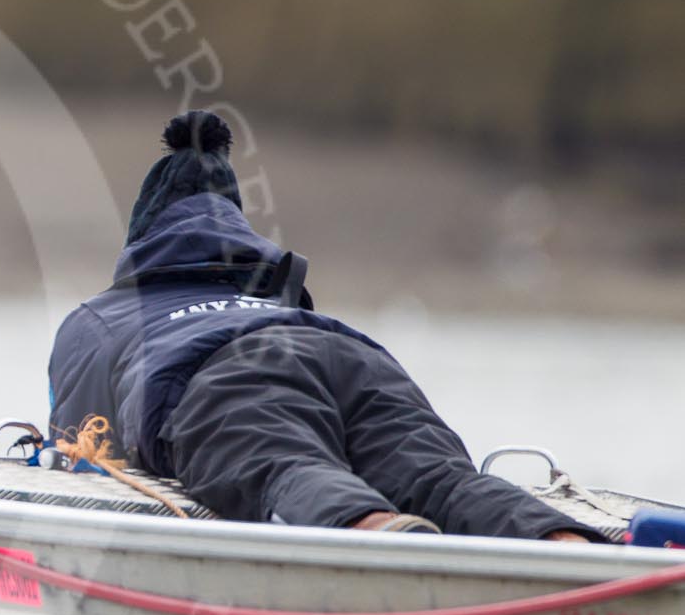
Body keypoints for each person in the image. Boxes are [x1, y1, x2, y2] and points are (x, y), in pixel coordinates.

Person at [47, 110, 597, 541]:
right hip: (355, 357)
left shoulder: (103, 315)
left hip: (214, 376)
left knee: (282, 464)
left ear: (142, 242)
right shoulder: (277, 293)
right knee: (440, 479)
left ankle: (379, 538)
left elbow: (78, 438)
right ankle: (565, 544)